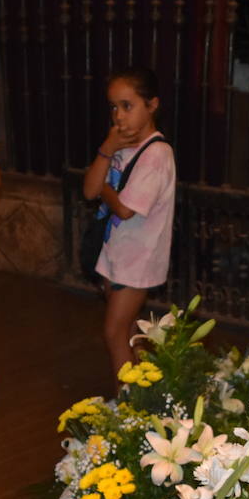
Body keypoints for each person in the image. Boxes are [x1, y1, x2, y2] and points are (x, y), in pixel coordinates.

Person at [81, 66, 176, 381]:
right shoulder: (117, 147)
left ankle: (128, 408)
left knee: (113, 332)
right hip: (116, 254)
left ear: (152, 105)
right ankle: (148, 392)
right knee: (129, 330)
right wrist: (106, 151)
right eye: (113, 107)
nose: (119, 116)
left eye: (127, 105)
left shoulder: (157, 154)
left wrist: (109, 185)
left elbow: (123, 209)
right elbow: (89, 189)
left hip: (139, 260)